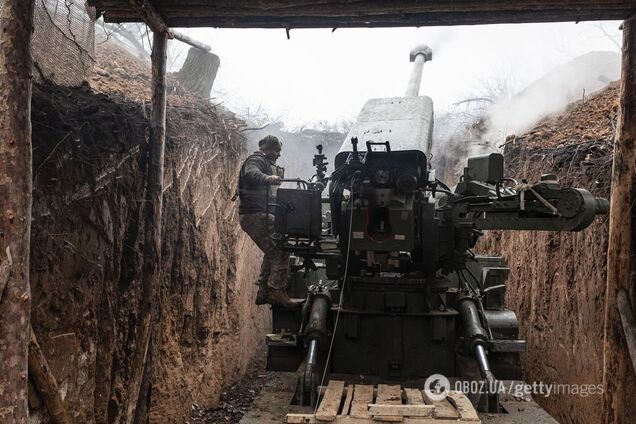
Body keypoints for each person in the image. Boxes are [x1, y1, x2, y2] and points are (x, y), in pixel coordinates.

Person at [236, 135, 295, 308]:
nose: (278, 154)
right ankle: (276, 292)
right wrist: (268, 178)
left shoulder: (265, 162)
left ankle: (263, 291)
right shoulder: (256, 159)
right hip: (256, 215)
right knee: (281, 249)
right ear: (268, 149)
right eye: (276, 151)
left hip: (258, 215)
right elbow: (251, 172)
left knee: (272, 249)